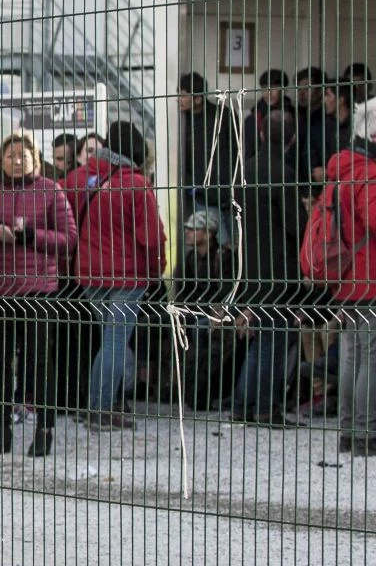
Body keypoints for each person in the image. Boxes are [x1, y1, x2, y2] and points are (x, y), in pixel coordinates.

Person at [0, 131, 78, 456]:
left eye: (23, 155)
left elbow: (69, 239)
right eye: (10, 155)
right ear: (0, 160)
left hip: (38, 289)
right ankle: (1, 430)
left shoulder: (50, 190)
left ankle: (44, 430)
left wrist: (31, 236)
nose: (17, 161)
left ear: (35, 158)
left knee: (39, 362)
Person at [62, 119, 164, 430]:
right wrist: (156, 269)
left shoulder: (75, 179)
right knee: (116, 340)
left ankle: (98, 403)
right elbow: (151, 237)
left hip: (88, 274)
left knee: (109, 338)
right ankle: (101, 409)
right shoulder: (135, 184)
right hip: (128, 276)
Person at [323, 98, 376, 455]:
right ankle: (367, 433)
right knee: (373, 357)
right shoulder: (373, 172)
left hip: (348, 276)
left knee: (352, 355)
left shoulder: (346, 168)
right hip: (374, 275)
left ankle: (349, 430)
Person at [232, 111, 302, 424]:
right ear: (292, 140)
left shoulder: (245, 170)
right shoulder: (283, 173)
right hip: (279, 267)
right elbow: (294, 225)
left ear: (260, 134)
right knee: (275, 340)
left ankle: (243, 404)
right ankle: (266, 408)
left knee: (261, 339)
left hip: (251, 265)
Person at [172, 208, 239, 409]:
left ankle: (199, 394)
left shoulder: (223, 257)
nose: (189, 233)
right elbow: (184, 291)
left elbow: (228, 289)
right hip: (197, 311)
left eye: (195, 229)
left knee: (200, 332)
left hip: (217, 312)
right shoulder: (191, 257)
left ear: (208, 233)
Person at [176, 72, 236, 238]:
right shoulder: (180, 121)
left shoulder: (223, 116)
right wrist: (194, 189)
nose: (179, 99)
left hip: (228, 192)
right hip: (203, 195)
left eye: (183, 95)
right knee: (220, 243)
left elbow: (236, 151)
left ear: (198, 99)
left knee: (236, 243)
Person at [240, 69, 294, 163]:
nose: (268, 93)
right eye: (264, 88)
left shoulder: (295, 115)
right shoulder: (253, 118)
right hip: (260, 170)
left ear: (284, 90)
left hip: (288, 170)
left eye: (273, 87)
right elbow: (249, 153)